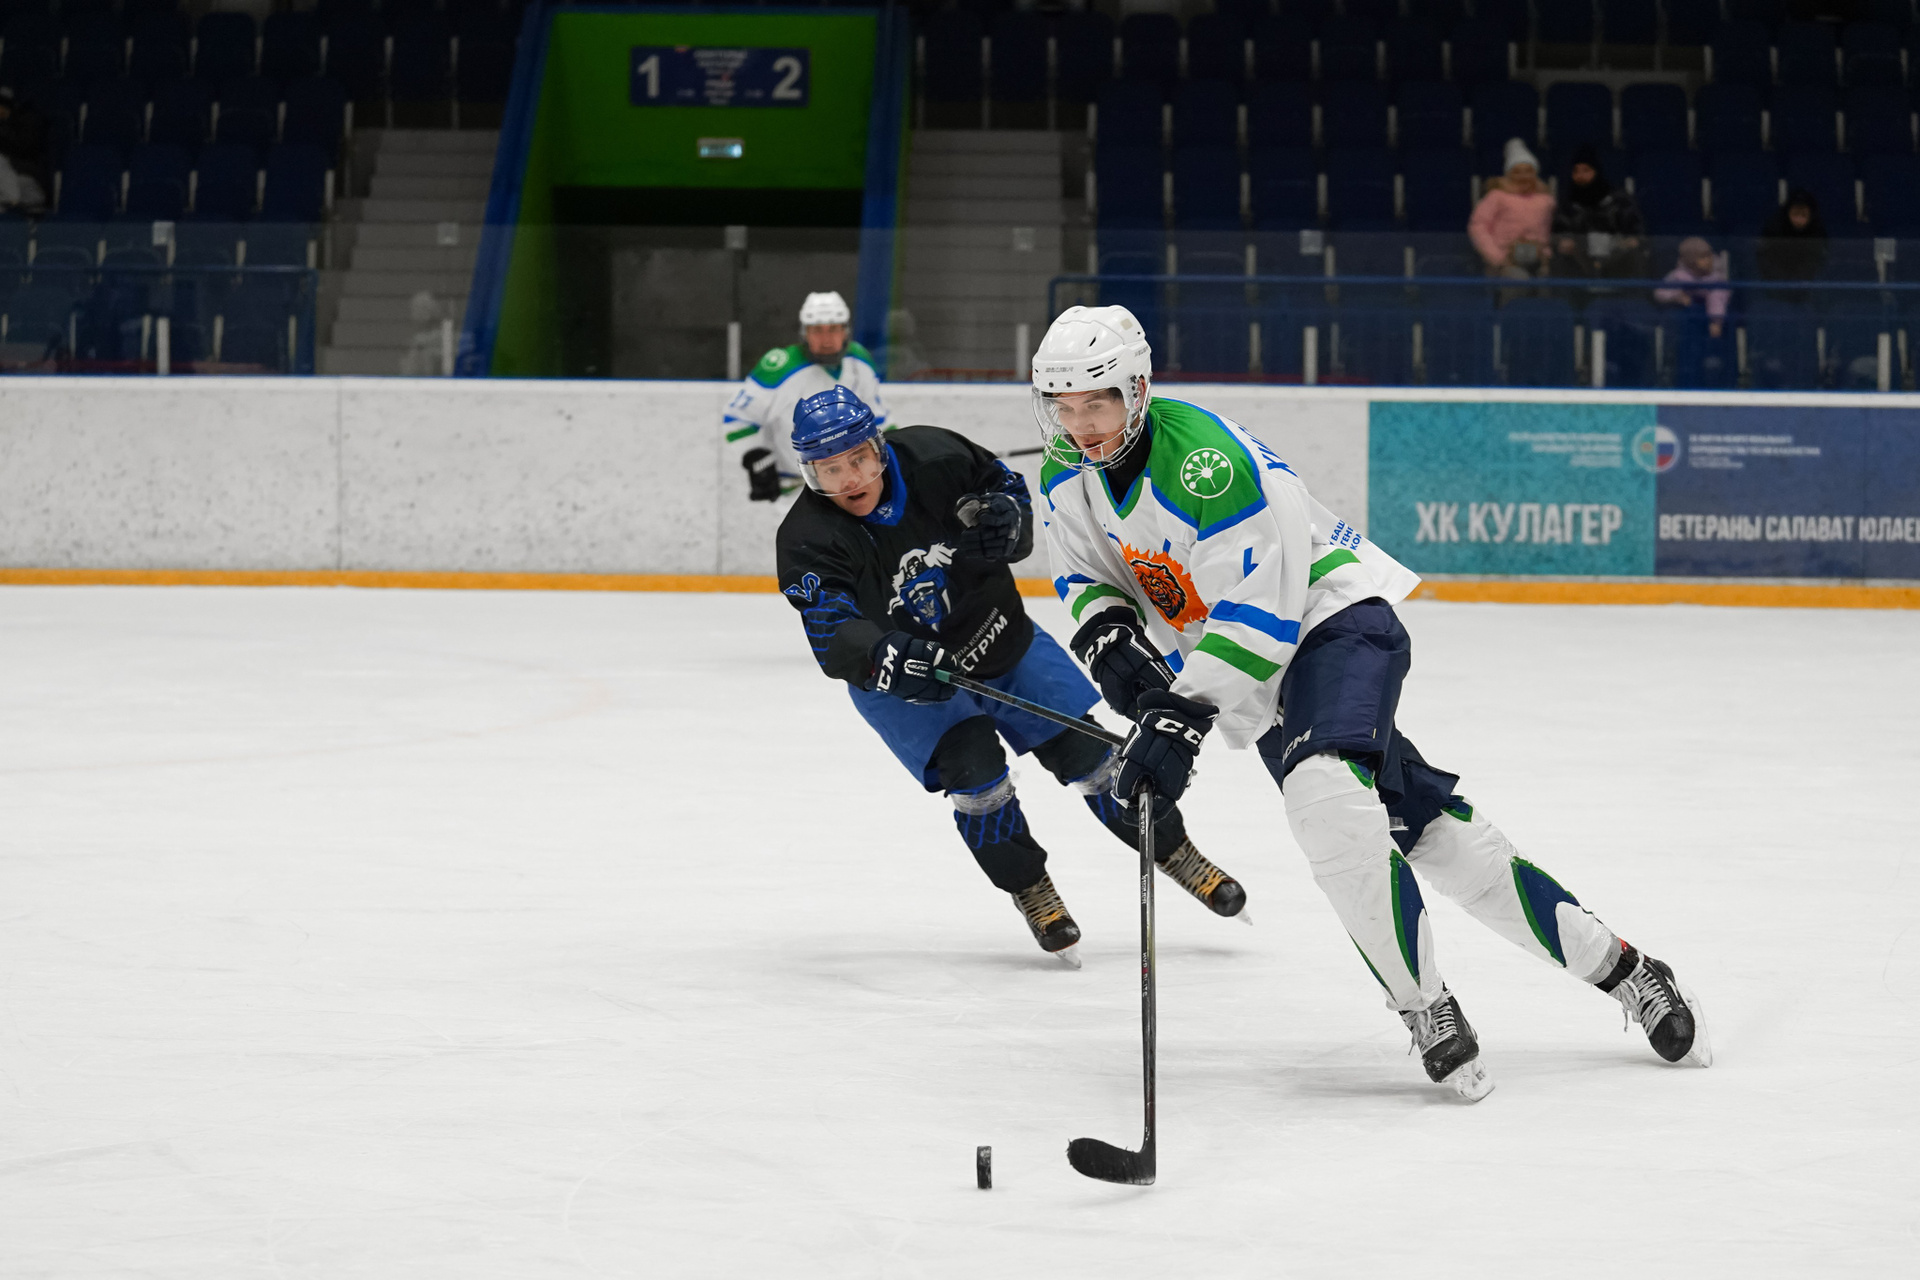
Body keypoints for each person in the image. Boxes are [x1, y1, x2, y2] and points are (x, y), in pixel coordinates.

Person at [1032, 304, 1710, 1097]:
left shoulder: (1206, 464)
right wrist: (1110, 639)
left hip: (1328, 624)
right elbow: (1084, 575)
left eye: (1098, 403)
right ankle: (1626, 969)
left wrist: (1181, 715)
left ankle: (1426, 1008)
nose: (1081, 425)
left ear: (1139, 390)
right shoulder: (1065, 472)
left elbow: (1262, 612)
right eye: (1064, 407)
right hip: (1250, 674)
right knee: (1435, 838)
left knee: (1325, 798)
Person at [774, 386, 1249, 965]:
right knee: (976, 780)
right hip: (907, 682)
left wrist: (1009, 518)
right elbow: (831, 630)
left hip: (999, 635)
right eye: (830, 470)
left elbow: (1006, 491)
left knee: (1092, 758)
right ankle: (1032, 890)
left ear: (880, 447)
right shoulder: (808, 536)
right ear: (810, 473)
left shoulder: (937, 456)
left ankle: (1178, 853)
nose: (850, 479)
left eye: (859, 460)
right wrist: (886, 658)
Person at [723, 291, 888, 503]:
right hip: (795, 493)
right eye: (817, 330)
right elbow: (737, 419)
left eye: (834, 329)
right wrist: (755, 456)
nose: (826, 339)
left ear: (845, 331)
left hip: (852, 488)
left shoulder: (860, 362)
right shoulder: (780, 369)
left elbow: (878, 420)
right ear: (804, 333)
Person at [1549, 144, 1647, 279]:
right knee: (1560, 260)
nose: (1580, 176)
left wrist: (1630, 241)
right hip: (1579, 261)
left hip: (1617, 259)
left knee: (1635, 258)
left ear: (1596, 172)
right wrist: (1564, 242)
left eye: (1586, 170)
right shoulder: (1567, 203)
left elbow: (1636, 232)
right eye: (1576, 171)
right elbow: (1559, 232)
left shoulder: (1619, 200)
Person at [1469, 138, 1556, 282]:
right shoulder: (1496, 196)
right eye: (1517, 172)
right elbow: (1478, 226)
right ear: (1509, 175)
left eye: (1528, 171)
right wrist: (1497, 258)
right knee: (1516, 285)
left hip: (1539, 262)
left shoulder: (1546, 200)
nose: (1523, 176)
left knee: (1544, 288)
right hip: (1504, 262)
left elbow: (1551, 230)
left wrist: (1546, 255)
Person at [1655, 236, 1734, 389]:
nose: (1708, 261)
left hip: (1711, 325)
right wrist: (1678, 296)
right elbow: (1660, 293)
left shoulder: (1717, 278)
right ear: (1691, 261)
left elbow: (1718, 298)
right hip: (1686, 326)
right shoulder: (1678, 275)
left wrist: (1716, 321)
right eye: (1702, 258)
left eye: (1709, 256)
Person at [1757, 188, 1830, 293]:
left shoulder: (1818, 232)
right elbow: (1764, 258)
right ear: (1788, 213)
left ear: (1810, 215)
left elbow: (1820, 263)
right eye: (1795, 214)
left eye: (1803, 215)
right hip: (1775, 288)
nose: (1799, 220)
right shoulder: (1774, 230)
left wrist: (1803, 281)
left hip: (1808, 290)